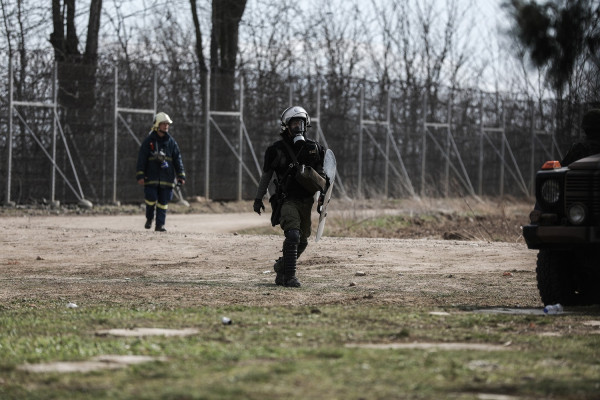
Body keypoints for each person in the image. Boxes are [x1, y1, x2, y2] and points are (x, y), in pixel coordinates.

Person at [253, 106, 327, 287]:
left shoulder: (315, 148)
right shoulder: (276, 150)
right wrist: (258, 198)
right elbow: (266, 176)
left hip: (306, 201)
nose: (297, 127)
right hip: (286, 200)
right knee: (292, 235)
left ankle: (281, 269)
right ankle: (291, 277)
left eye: (300, 123)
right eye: (294, 123)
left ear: (306, 124)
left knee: (303, 240)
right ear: (286, 126)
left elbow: (323, 176)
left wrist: (322, 197)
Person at [136, 112, 186, 232]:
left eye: (167, 124)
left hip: (167, 178)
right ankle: (149, 218)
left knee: (163, 202)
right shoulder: (149, 142)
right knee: (151, 198)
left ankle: (160, 225)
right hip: (151, 177)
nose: (166, 126)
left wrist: (181, 175)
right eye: (164, 124)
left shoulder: (172, 143)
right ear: (157, 125)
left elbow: (177, 159)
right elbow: (141, 159)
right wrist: (140, 174)